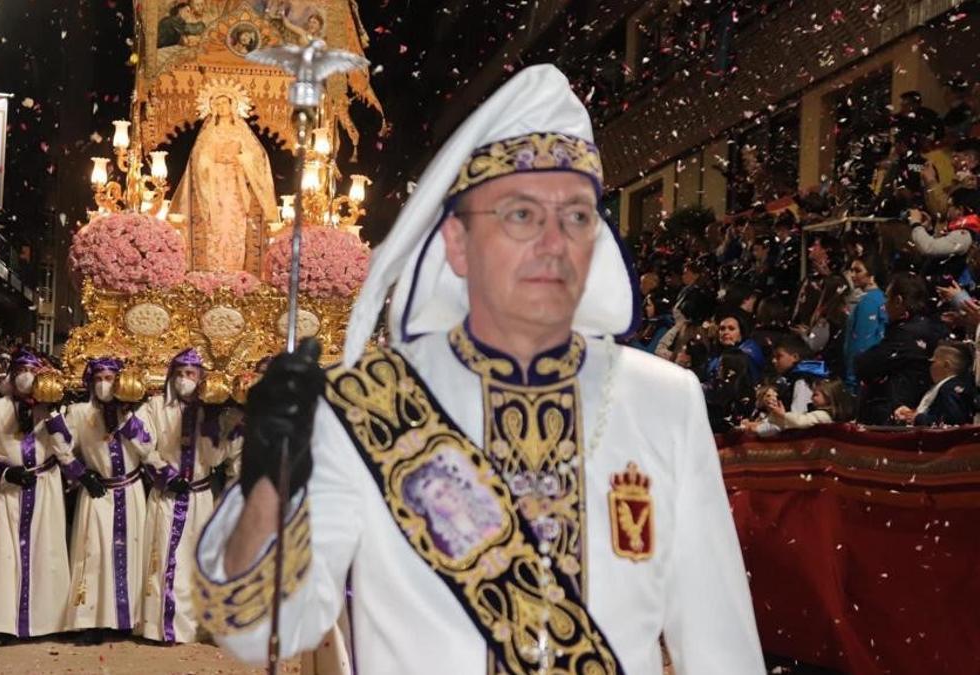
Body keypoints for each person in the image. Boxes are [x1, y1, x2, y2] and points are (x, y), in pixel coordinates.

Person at [193, 65, 763, 673]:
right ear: (458, 244)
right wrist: (269, 488)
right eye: (520, 215)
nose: (553, 241)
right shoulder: (367, 404)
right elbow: (261, 633)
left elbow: (718, 640)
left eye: (576, 216)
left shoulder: (664, 400)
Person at [0, 351, 71, 649]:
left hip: (45, 488)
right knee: (4, 553)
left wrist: (53, 415)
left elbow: (66, 449)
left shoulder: (52, 410)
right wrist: (6, 473)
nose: (26, 374)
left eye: (31, 369)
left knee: (46, 549)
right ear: (12, 374)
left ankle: (49, 619)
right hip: (9, 492)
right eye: (21, 369)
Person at [139, 348, 242, 644]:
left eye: (191, 374)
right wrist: (164, 474)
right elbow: (141, 442)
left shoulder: (212, 412)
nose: (185, 380)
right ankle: (158, 625)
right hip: (168, 494)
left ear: (201, 379)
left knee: (195, 560)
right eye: (180, 374)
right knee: (163, 557)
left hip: (199, 496)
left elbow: (215, 458)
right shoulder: (155, 406)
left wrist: (212, 424)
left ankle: (194, 624)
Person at [55, 357, 153, 645]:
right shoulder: (78, 412)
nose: (103, 384)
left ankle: (126, 619)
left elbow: (148, 448)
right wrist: (81, 474)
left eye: (110, 378)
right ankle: (91, 621)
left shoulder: (138, 413)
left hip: (130, 490)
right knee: (93, 554)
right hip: (97, 491)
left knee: (130, 552)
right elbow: (60, 446)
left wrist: (126, 420)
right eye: (98, 378)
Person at [172, 85, 280, 273]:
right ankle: (214, 269)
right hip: (214, 184)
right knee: (216, 225)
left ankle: (234, 268)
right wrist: (210, 162)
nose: (221, 107)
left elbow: (256, 157)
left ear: (232, 105)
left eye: (225, 103)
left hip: (235, 183)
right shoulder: (210, 133)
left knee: (235, 224)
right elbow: (199, 158)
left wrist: (241, 159)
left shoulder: (241, 132)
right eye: (218, 103)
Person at [855, 273, 947, 425]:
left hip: (897, 414)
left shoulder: (906, 334)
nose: (884, 305)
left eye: (887, 298)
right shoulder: (931, 328)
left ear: (898, 301)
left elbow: (865, 365)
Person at [893, 342, 975, 427]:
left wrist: (917, 418)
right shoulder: (957, 386)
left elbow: (951, 423)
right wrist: (912, 414)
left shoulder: (949, 390)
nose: (930, 367)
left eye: (933, 362)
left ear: (946, 365)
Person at [843, 253, 886, 390]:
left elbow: (861, 341)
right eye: (851, 270)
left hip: (861, 377)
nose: (853, 275)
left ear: (871, 274)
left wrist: (852, 377)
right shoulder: (881, 298)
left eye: (858, 270)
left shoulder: (868, 302)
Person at [762, 378, 853, 430]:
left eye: (815, 395)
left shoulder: (823, 415)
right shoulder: (817, 413)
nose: (811, 398)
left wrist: (783, 415)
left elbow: (801, 422)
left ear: (828, 396)